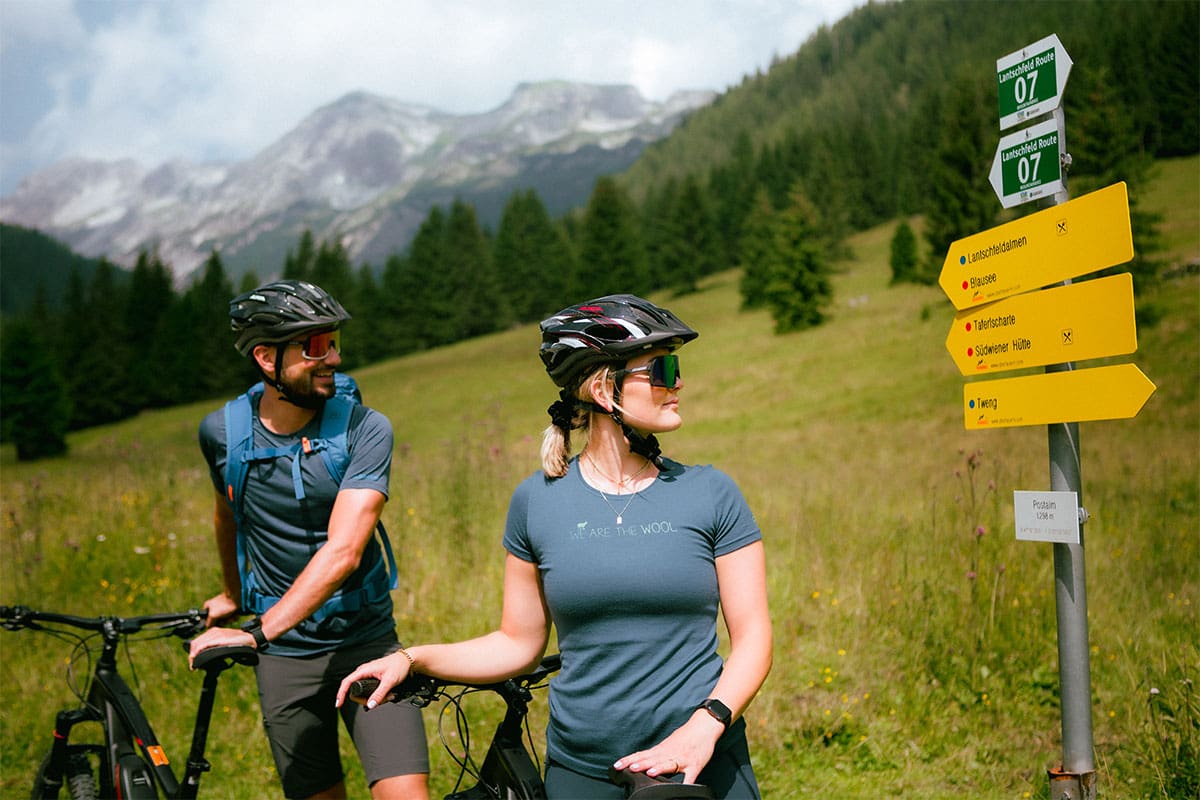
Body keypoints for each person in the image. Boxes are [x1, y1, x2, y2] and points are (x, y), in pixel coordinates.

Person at [337, 294, 773, 799]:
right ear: (602, 387)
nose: (677, 383)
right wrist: (411, 658)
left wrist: (706, 725)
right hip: (584, 772)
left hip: (704, 763)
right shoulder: (536, 502)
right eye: (661, 368)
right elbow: (518, 642)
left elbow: (754, 638)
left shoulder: (711, 492)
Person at [188, 279, 429, 800]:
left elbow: (344, 551)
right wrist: (232, 595)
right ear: (265, 358)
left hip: (365, 641)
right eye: (315, 346)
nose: (333, 358)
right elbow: (228, 515)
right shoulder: (222, 434)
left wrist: (256, 632)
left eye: (334, 342)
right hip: (286, 662)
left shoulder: (366, 429)